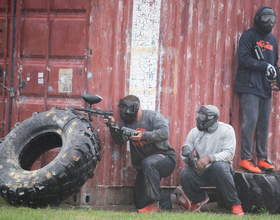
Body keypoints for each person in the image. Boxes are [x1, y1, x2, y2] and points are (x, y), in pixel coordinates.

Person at [105, 95, 177, 213]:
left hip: (166, 158)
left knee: (149, 162)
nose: (124, 112)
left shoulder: (152, 116)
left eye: (126, 109)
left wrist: (143, 136)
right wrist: (113, 126)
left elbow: (164, 133)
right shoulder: (125, 124)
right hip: (145, 167)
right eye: (121, 109)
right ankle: (175, 198)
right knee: (140, 204)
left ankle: (154, 205)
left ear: (135, 107)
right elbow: (120, 140)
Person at [174, 105, 244, 216]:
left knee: (219, 166)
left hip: (222, 172)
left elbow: (229, 154)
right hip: (202, 170)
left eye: (202, 116)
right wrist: (188, 157)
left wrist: (209, 158)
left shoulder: (226, 130)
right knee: (185, 175)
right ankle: (199, 199)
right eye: (199, 115)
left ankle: (235, 204)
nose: (199, 119)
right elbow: (186, 151)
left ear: (212, 118)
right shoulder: (194, 132)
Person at [234, 6, 279, 173]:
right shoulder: (248, 35)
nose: (269, 21)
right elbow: (243, 58)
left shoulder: (273, 40)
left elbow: (274, 63)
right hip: (249, 86)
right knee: (250, 122)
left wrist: (276, 79)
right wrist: (264, 65)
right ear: (258, 18)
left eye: (272, 18)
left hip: (266, 88)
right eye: (266, 18)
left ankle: (262, 159)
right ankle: (245, 158)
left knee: (264, 124)